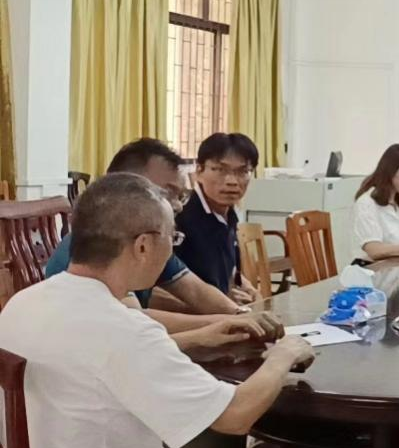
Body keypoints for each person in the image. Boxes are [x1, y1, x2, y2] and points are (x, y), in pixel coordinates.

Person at [0, 173, 316, 448]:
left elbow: (98, 361)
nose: (172, 251)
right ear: (142, 246)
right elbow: (235, 415)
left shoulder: (22, 303)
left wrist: (200, 339)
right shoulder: (125, 329)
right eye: (172, 238)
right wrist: (284, 354)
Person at [43, 138, 274, 336]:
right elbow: (132, 321)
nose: (178, 206)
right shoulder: (93, 244)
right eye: (167, 193)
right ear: (125, 186)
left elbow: (195, 291)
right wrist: (225, 324)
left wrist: (242, 315)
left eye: (180, 196)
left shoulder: (150, 240)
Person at [175, 133, 262, 303]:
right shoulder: (181, 216)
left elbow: (228, 268)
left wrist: (251, 290)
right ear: (199, 171)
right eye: (220, 170)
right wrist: (219, 302)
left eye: (243, 171)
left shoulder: (228, 215)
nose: (232, 181)